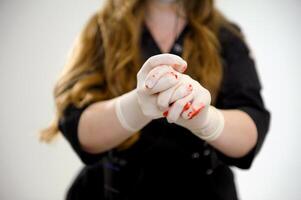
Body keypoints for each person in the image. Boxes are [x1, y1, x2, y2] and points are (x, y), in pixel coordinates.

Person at [41, 0, 270, 199]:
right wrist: (138, 106)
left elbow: (250, 128)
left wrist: (205, 119)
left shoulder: (226, 36)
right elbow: (78, 124)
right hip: (110, 190)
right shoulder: (101, 30)